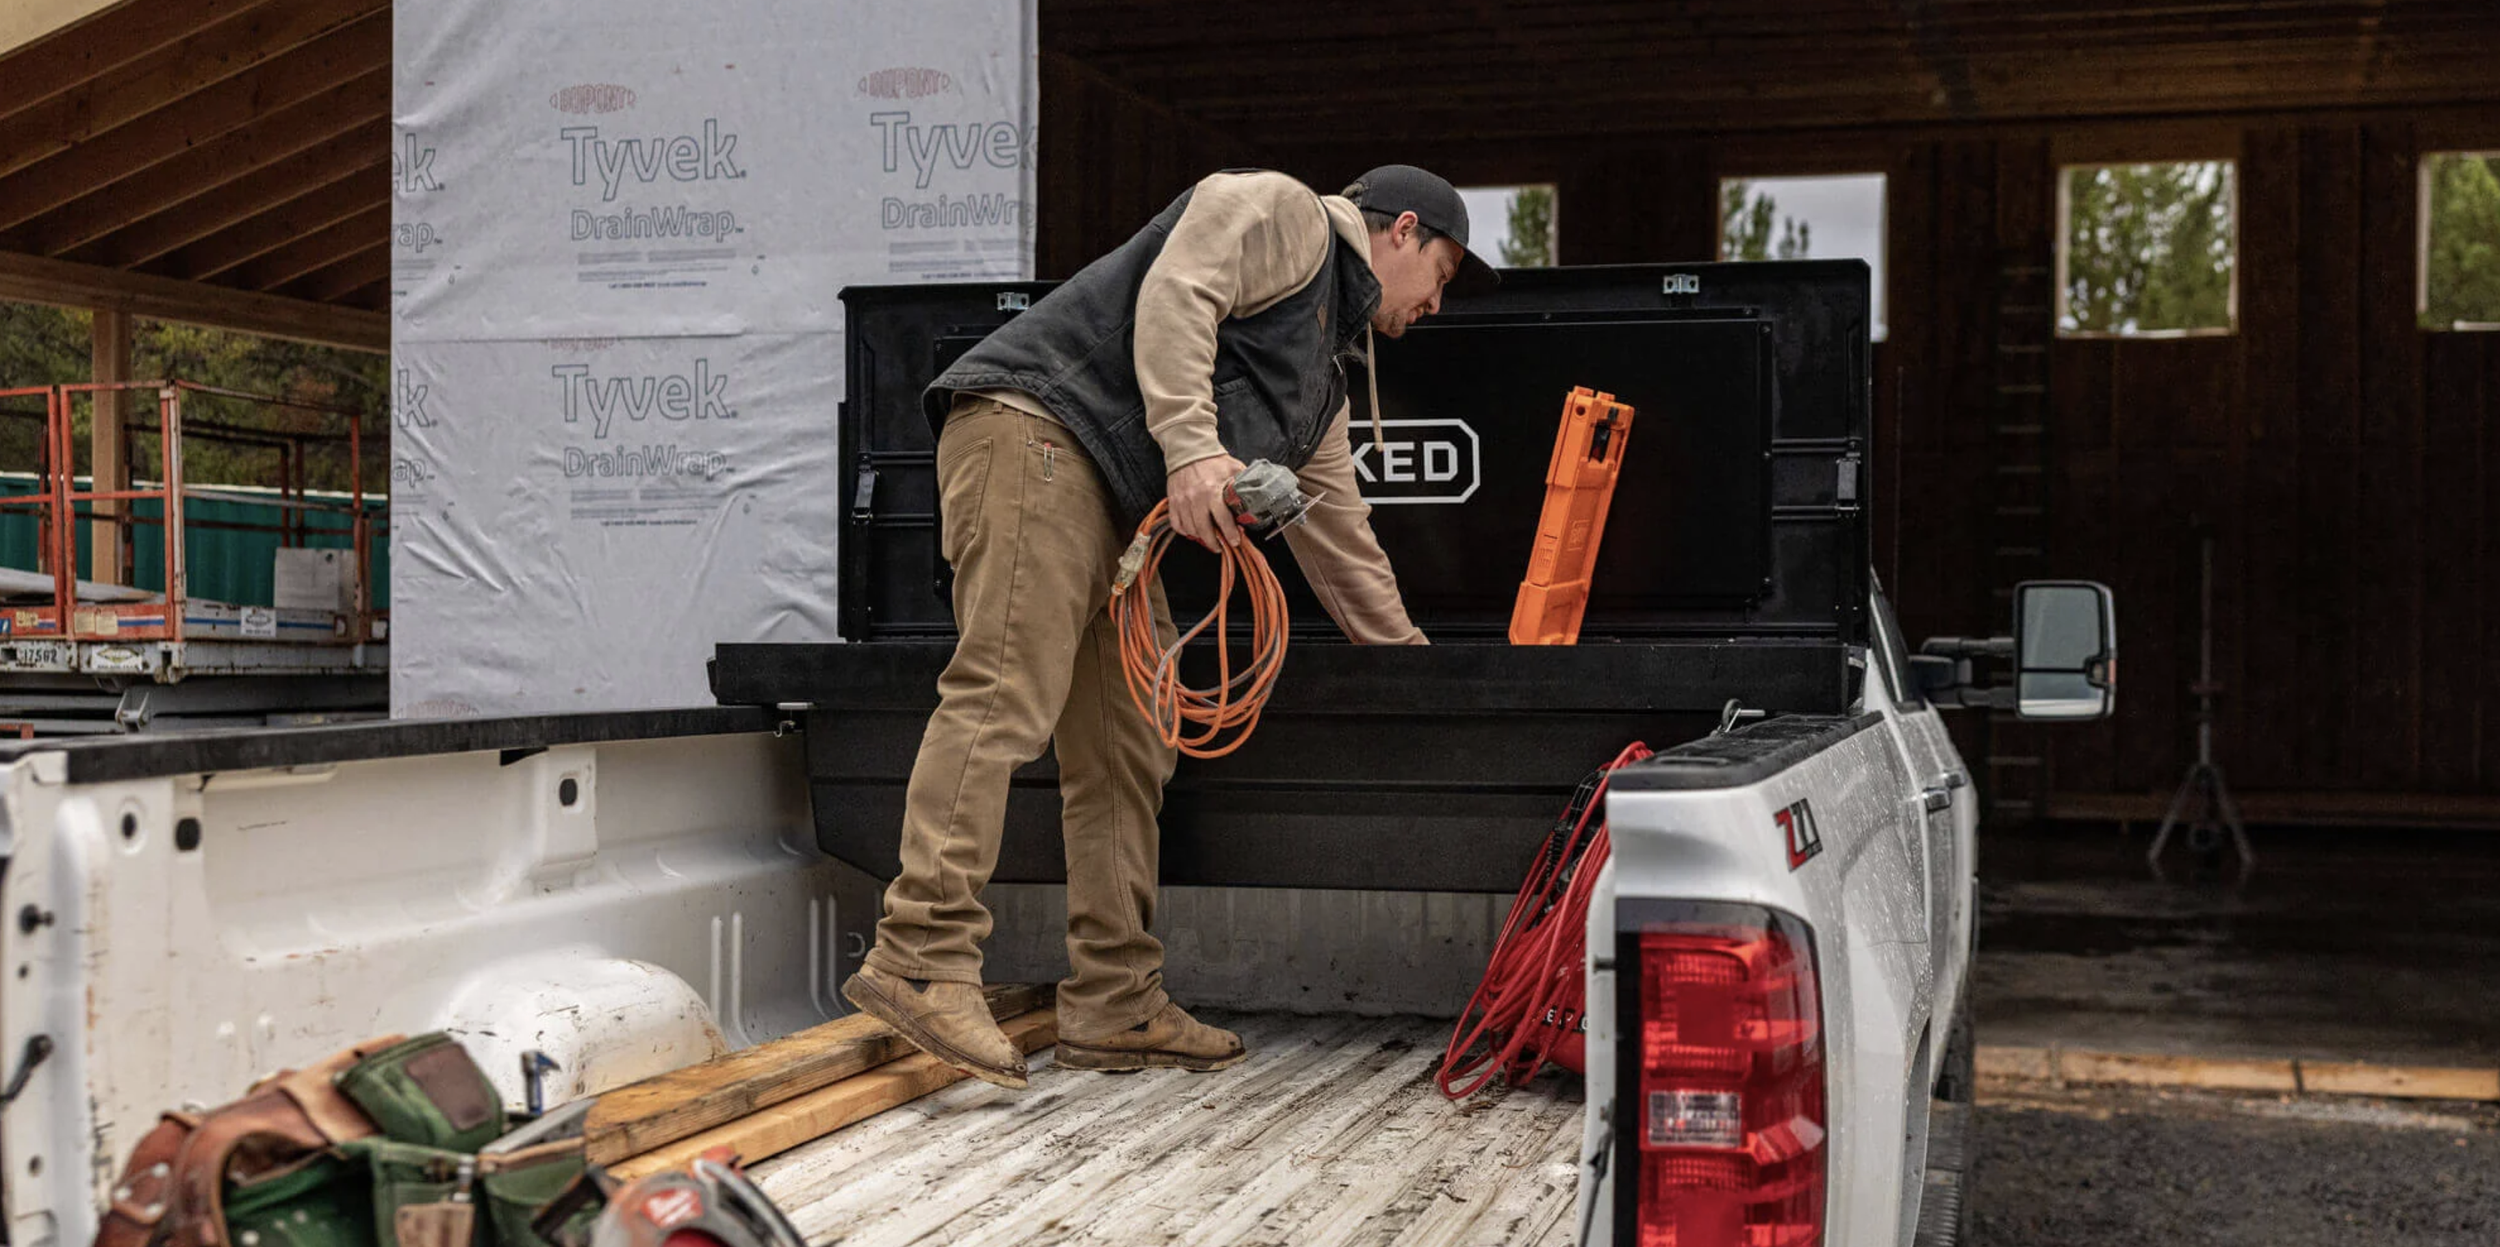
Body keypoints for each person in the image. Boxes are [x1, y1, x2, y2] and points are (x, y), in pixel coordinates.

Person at [841, 165, 1497, 1087]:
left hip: (1104, 494)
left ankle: (1113, 1000)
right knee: (1005, 691)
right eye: (1443, 272)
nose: (1436, 301)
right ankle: (920, 953)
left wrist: (1422, 677)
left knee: (1130, 743)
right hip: (1035, 432)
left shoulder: (1321, 388)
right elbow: (1177, 293)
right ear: (1402, 230)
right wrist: (1192, 451)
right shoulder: (1284, 211)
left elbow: (1345, 551)